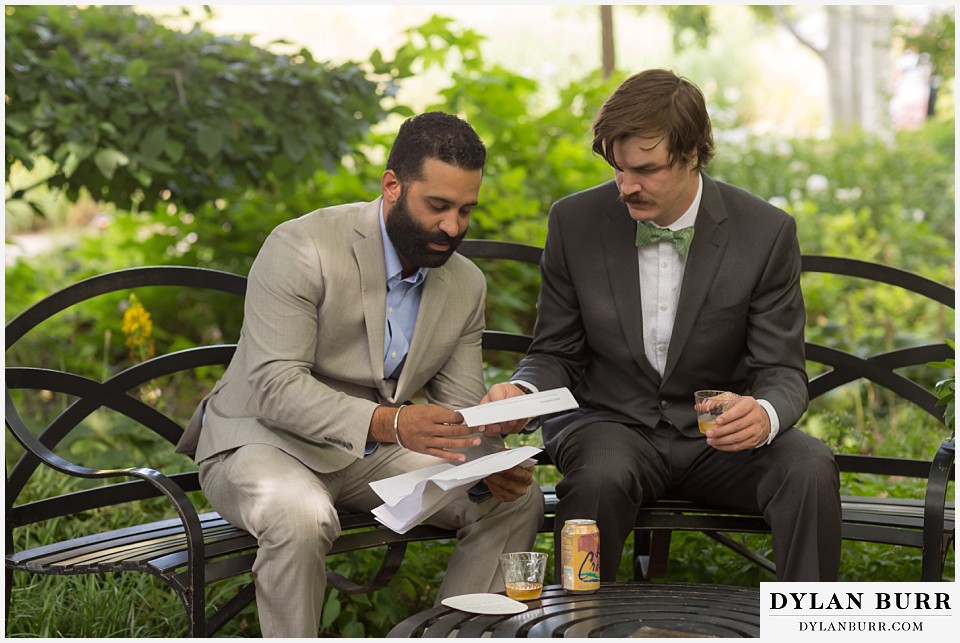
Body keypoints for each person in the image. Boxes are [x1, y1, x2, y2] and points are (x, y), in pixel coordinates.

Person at [176, 112, 544, 637]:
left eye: (466, 210)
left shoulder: (465, 283)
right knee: (300, 514)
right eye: (437, 206)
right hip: (261, 442)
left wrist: (486, 457)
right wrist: (392, 424)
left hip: (368, 459)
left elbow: (459, 411)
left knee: (512, 498)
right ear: (392, 186)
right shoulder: (301, 246)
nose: (453, 227)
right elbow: (274, 385)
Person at [481, 69, 842, 583]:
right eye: (618, 169)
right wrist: (521, 390)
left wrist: (762, 413)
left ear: (693, 153)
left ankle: (814, 630)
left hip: (717, 441)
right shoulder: (575, 222)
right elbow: (556, 352)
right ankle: (577, 627)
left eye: (646, 170)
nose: (627, 187)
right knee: (599, 476)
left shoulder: (764, 232)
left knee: (808, 467)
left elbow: (782, 370)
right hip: (612, 427)